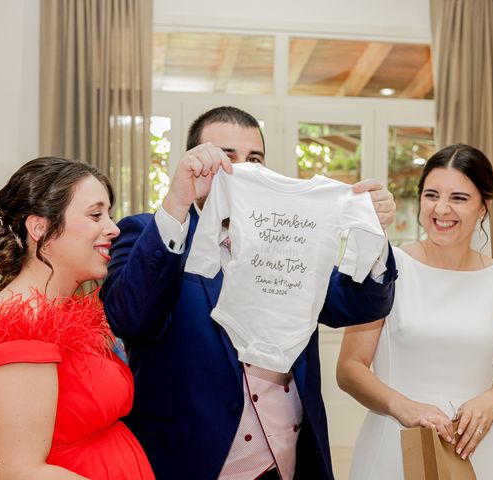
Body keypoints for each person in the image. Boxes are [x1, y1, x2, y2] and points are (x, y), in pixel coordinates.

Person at [100, 106, 398, 480]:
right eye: (226, 158)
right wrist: (177, 201)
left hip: (286, 465)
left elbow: (359, 305)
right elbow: (129, 316)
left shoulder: (290, 240)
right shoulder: (147, 230)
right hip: (192, 463)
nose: (242, 171)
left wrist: (373, 235)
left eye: (254, 160)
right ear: (194, 162)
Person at [0, 158, 155, 479]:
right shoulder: (20, 330)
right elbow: (17, 472)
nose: (113, 228)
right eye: (95, 215)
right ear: (40, 228)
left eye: (108, 213)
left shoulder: (60, 316)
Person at [336, 143, 493, 479]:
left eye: (459, 198)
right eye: (432, 195)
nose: (442, 209)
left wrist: (491, 401)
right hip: (394, 445)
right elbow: (349, 368)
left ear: (483, 207)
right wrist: (405, 408)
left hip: (473, 450)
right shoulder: (385, 266)